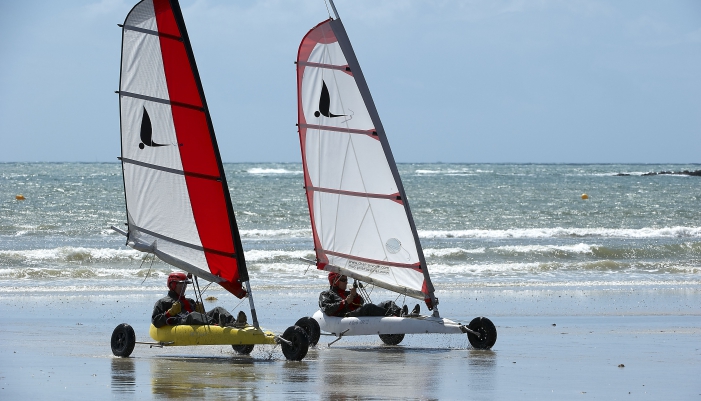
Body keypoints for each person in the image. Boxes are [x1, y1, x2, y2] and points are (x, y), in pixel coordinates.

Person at [152, 272, 247, 328]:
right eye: (181, 284)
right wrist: (170, 313)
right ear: (173, 285)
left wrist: (201, 311)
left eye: (185, 284)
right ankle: (217, 325)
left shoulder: (190, 301)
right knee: (192, 315)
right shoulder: (163, 302)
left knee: (218, 309)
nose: (184, 286)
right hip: (179, 322)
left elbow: (200, 316)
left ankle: (235, 323)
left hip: (194, 320)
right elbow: (155, 322)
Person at [319, 272, 417, 317]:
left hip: (355, 313)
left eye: (346, 279)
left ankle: (402, 314)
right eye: (343, 280)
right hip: (345, 315)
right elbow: (327, 309)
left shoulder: (347, 293)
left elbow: (361, 302)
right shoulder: (326, 294)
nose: (346, 282)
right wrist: (345, 302)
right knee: (369, 307)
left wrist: (354, 296)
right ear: (335, 281)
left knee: (388, 303)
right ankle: (392, 317)